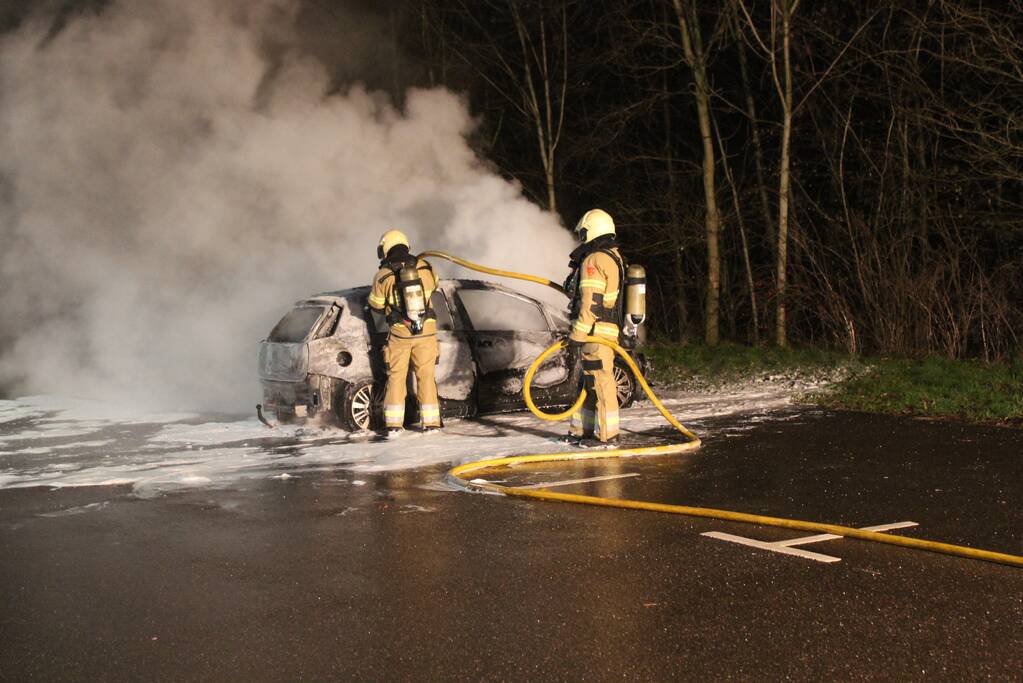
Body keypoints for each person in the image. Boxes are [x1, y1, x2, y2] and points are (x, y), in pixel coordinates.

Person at [368, 230, 441, 437]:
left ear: (385, 249)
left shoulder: (383, 276)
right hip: (426, 332)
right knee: (426, 376)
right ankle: (431, 424)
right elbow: (436, 285)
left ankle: (393, 425)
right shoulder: (425, 267)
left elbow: (376, 305)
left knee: (397, 378)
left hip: (401, 335)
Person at [564, 209, 625, 446]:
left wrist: (577, 335)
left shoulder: (595, 260)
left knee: (600, 382)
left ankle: (608, 436)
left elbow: (591, 304)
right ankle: (582, 431)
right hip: (603, 332)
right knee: (589, 382)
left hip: (595, 332)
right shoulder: (613, 256)